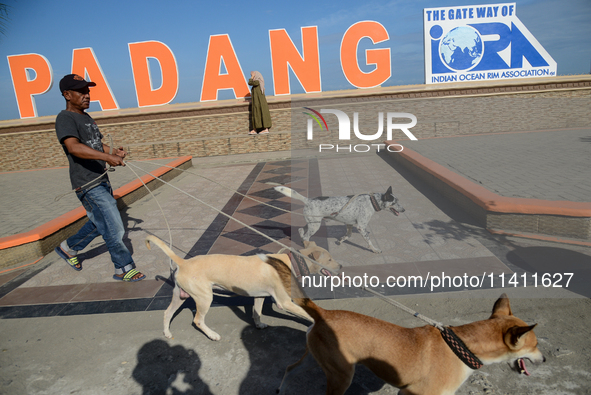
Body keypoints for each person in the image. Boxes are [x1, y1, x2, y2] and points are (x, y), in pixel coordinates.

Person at [54, 74, 145, 282]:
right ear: (67, 95)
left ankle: (68, 248)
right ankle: (123, 267)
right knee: (114, 227)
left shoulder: (86, 118)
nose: (87, 95)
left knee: (100, 223)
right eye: (81, 91)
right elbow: (73, 147)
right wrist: (107, 157)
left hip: (101, 180)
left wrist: (114, 152)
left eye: (88, 91)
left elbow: (95, 145)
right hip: (87, 183)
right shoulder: (65, 118)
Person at [248, 71, 272, 135]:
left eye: (253, 75)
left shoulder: (257, 82)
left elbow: (250, 82)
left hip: (259, 102)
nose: (252, 77)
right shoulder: (257, 84)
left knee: (262, 113)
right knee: (257, 114)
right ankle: (255, 129)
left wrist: (252, 76)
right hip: (257, 102)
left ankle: (265, 129)